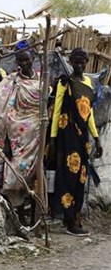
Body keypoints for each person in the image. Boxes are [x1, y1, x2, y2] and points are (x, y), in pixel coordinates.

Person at [49, 48, 103, 236]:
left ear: (86, 63)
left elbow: (89, 113)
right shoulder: (65, 82)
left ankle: (76, 218)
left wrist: (96, 137)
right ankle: (69, 220)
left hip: (83, 138)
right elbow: (56, 111)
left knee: (81, 176)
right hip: (67, 134)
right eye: (76, 62)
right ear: (70, 62)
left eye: (82, 62)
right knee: (68, 176)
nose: (79, 66)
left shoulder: (88, 83)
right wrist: (53, 138)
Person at [0, 49, 41, 217]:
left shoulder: (42, 80)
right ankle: (15, 212)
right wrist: (5, 142)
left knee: (35, 177)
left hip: (36, 138)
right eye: (20, 61)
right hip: (16, 139)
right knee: (14, 177)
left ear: (33, 59)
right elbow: (3, 112)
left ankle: (31, 215)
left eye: (27, 60)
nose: (24, 63)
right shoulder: (10, 83)